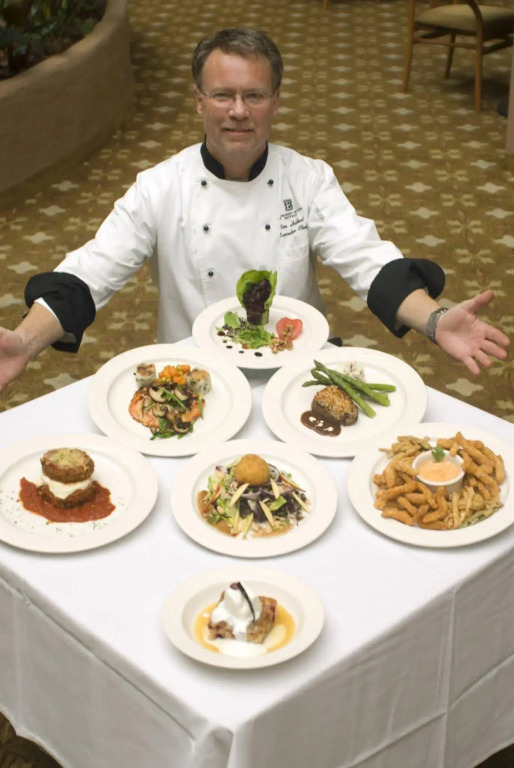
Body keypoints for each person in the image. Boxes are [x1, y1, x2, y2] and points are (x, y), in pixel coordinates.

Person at [0, 28, 509, 394]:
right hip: (193, 376)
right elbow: (91, 272)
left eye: (254, 95)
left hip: (299, 371)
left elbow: (368, 261)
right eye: (223, 95)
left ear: (276, 102)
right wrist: (24, 341)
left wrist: (435, 320)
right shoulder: (159, 186)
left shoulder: (307, 178)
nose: (239, 111)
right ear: (199, 101)